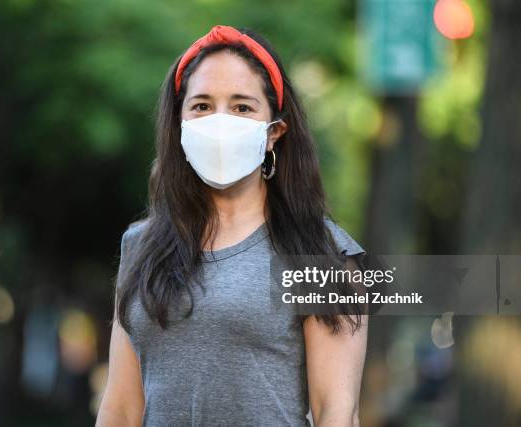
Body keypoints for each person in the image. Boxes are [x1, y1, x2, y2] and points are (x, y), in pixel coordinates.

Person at [96, 25, 368, 427]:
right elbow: (119, 408)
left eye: (242, 107)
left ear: (274, 132)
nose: (220, 122)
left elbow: (336, 412)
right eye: (202, 106)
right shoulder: (140, 246)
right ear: (180, 125)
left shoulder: (323, 252)